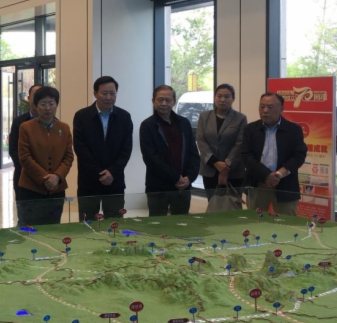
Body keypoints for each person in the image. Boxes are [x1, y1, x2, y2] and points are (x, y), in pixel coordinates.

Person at [73, 76, 133, 221]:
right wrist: (100, 173)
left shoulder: (124, 117)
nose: (108, 97)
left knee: (114, 223)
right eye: (104, 93)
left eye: (112, 93)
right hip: (89, 180)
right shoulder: (82, 116)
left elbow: (126, 149)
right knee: (88, 223)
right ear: (95, 93)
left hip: (115, 180)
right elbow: (80, 148)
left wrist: (112, 172)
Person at [242, 92, 307, 216]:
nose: (265, 110)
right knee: (256, 220)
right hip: (258, 183)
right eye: (262, 106)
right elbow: (246, 156)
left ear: (281, 109)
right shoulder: (250, 129)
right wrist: (266, 175)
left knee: (286, 222)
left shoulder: (293, 130)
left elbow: (298, 156)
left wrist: (278, 175)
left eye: (270, 107)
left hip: (285, 184)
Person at [140, 85, 200, 216]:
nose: (164, 103)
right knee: (157, 224)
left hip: (183, 186)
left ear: (174, 101)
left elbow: (193, 153)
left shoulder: (184, 123)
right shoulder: (147, 125)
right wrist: (175, 177)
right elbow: (151, 158)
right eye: (160, 100)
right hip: (158, 187)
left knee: (181, 223)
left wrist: (189, 178)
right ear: (153, 101)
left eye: (168, 100)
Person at [17, 86, 74, 225]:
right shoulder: (26, 127)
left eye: (51, 103)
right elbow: (25, 157)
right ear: (36, 106)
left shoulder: (64, 128)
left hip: (57, 189)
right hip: (31, 189)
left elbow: (68, 157)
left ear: (56, 105)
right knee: (29, 228)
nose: (47, 108)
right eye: (43, 104)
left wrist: (57, 177)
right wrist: (45, 179)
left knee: (53, 227)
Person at [196, 83, 248, 200]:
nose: (222, 99)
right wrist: (215, 162)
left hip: (233, 171)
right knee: (213, 204)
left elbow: (239, 144)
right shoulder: (204, 116)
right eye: (219, 96)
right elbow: (201, 140)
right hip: (210, 170)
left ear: (233, 99)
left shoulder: (240, 118)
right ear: (215, 97)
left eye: (227, 96)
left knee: (232, 205)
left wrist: (225, 169)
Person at [8, 84, 42, 201]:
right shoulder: (19, 122)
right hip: (23, 177)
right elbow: (13, 149)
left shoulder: (55, 124)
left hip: (47, 179)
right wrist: (30, 170)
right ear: (28, 98)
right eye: (35, 96)